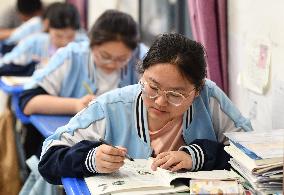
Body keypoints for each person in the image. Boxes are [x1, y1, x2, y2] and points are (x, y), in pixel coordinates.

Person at [37, 33, 253, 185]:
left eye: (175, 95)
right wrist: (90, 159)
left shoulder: (209, 98)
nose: (160, 102)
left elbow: (251, 155)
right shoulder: (111, 108)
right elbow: (48, 158)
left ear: (196, 91)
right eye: (153, 87)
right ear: (141, 75)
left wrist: (197, 156)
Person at [19, 9, 148, 116]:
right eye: (105, 56)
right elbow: (28, 102)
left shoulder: (141, 57)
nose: (112, 64)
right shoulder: (71, 57)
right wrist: (76, 105)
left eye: (122, 59)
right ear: (91, 45)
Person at [0, 2, 85, 77]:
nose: (65, 42)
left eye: (70, 37)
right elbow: (6, 62)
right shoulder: (34, 42)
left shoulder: (82, 44)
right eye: (59, 36)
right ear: (47, 26)